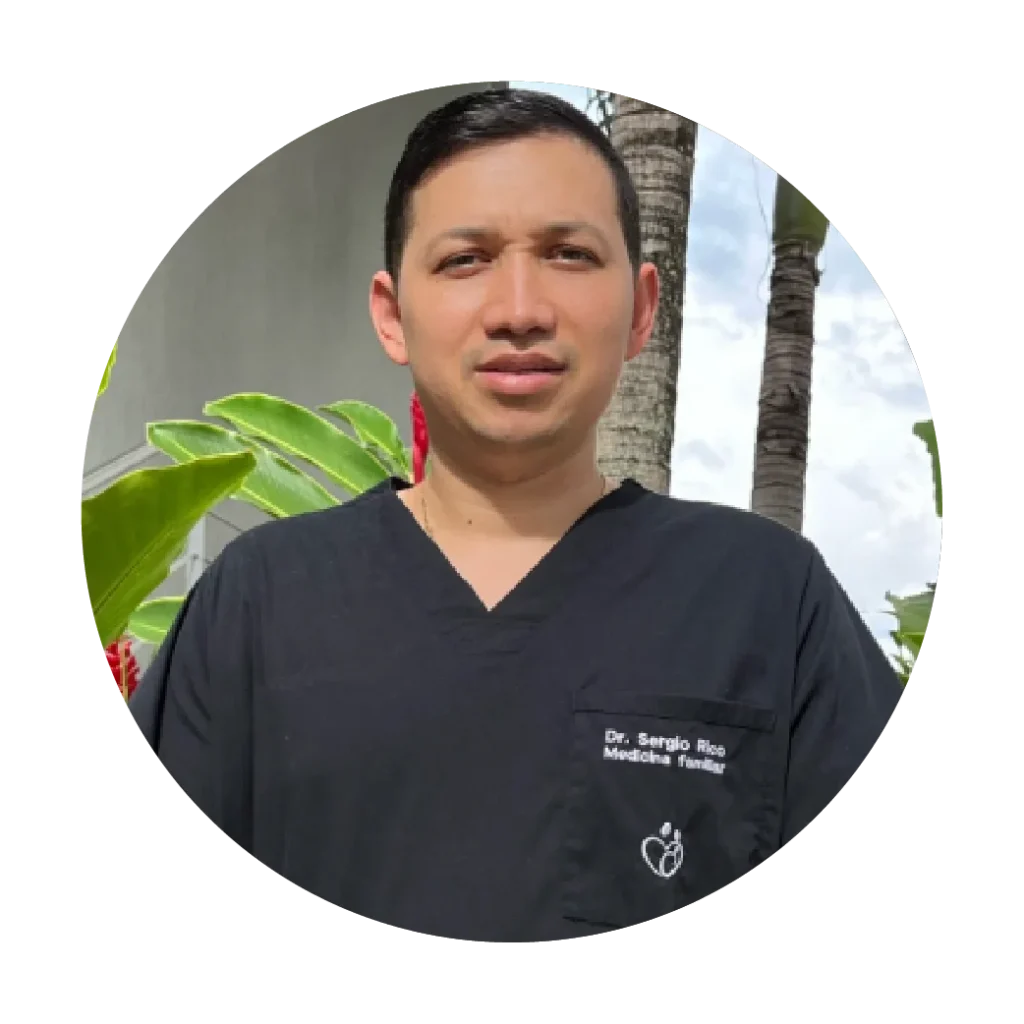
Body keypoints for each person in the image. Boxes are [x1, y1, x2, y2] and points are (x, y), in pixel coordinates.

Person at [129, 88, 903, 943]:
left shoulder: (768, 601)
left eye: (570, 254)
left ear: (643, 308)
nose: (520, 309)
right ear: (393, 314)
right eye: (466, 259)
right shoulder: (259, 603)